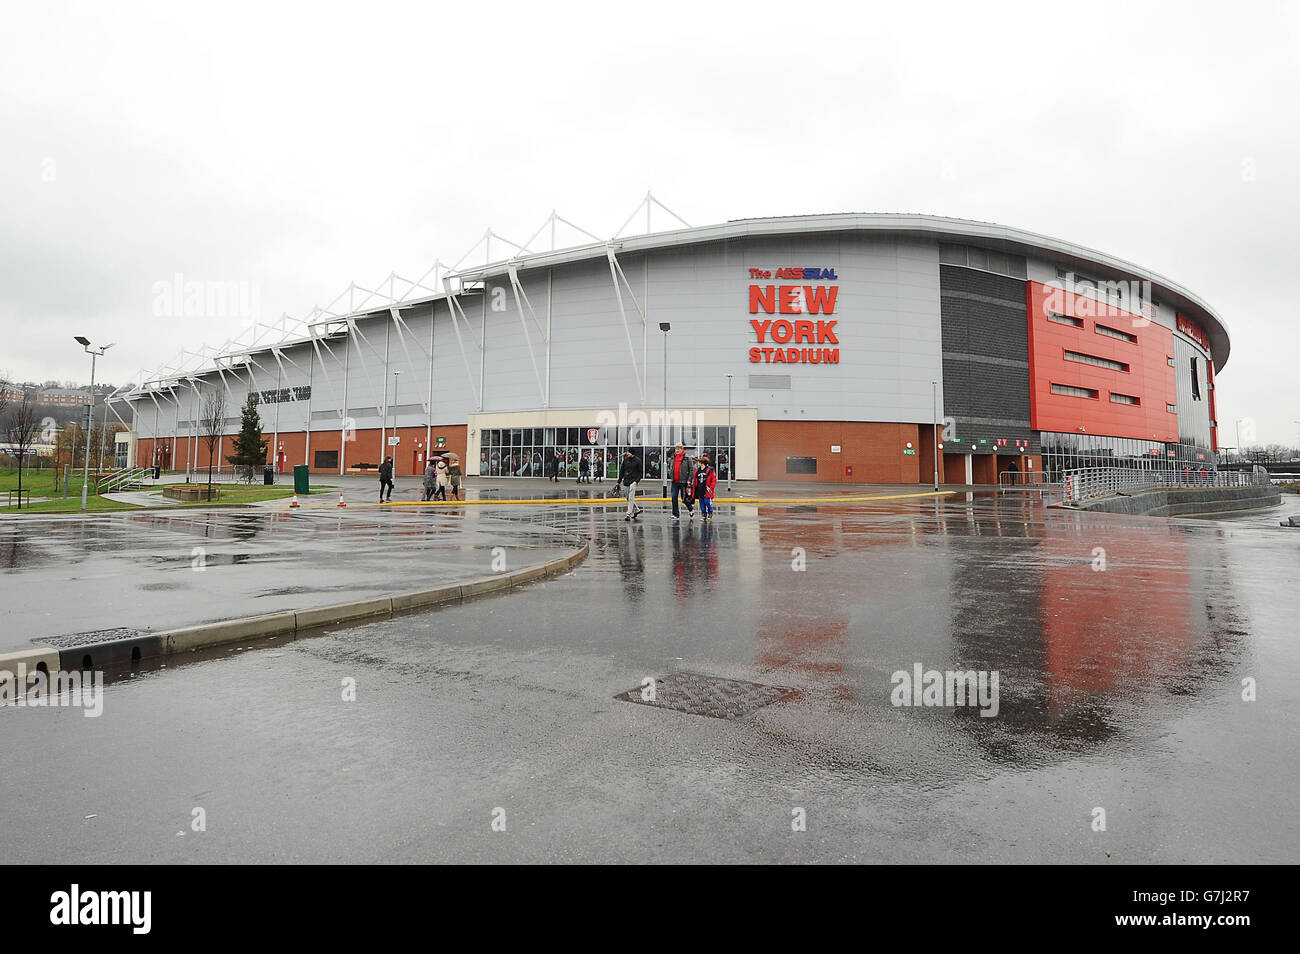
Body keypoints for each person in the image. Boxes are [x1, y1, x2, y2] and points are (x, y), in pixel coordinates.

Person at [667, 442, 695, 521]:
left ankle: (690, 509)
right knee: (674, 498)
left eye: (679, 448)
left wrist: (689, 480)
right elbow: (670, 467)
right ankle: (675, 514)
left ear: (682, 449)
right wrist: (670, 474)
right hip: (674, 482)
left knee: (684, 499)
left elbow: (691, 470)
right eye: (676, 448)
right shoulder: (672, 458)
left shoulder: (687, 458)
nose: (677, 450)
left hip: (684, 482)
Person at [619, 449, 644, 521]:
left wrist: (637, 481)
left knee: (631, 498)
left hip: (633, 481)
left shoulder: (638, 461)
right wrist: (619, 481)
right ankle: (637, 510)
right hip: (626, 481)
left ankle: (628, 514)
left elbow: (640, 472)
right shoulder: (626, 460)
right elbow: (622, 471)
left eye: (628, 452)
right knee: (627, 497)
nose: (627, 453)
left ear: (632, 453)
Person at [693, 453, 718, 519]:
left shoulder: (710, 470)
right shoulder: (697, 471)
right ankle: (704, 514)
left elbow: (714, 480)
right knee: (701, 503)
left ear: (702, 463)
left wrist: (711, 488)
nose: (697, 463)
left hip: (707, 489)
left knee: (707, 501)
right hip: (700, 489)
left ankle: (710, 511)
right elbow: (695, 479)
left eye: (699, 462)